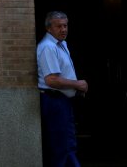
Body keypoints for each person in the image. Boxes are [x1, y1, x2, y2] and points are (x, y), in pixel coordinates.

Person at [37, 11, 88, 167]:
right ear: (48, 28)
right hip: (54, 101)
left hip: (62, 101)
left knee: (65, 144)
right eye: (59, 26)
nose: (63, 29)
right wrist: (77, 84)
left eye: (65, 25)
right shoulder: (48, 47)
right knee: (63, 146)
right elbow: (51, 80)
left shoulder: (61, 44)